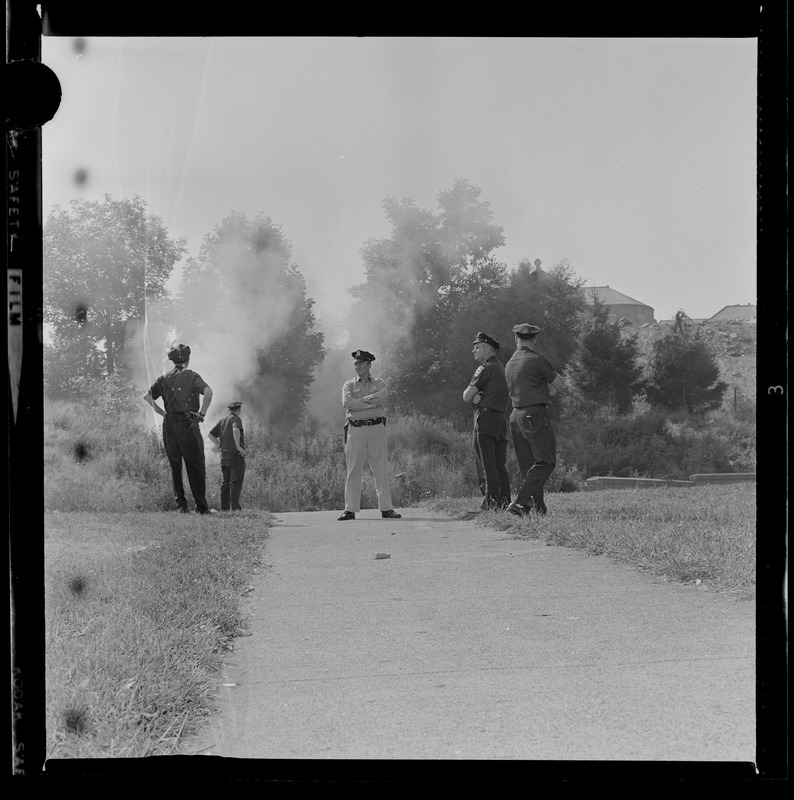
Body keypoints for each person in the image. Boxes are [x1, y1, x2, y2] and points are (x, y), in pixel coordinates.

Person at [504, 324, 567, 517]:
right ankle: (520, 503)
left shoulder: (510, 363)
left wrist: (543, 389)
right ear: (535, 339)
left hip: (516, 417)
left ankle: (537, 507)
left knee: (529, 465)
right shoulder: (536, 360)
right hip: (535, 416)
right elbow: (561, 384)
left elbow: (524, 387)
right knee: (546, 462)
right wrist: (552, 389)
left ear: (516, 339)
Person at [143, 343, 214, 514]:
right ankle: (201, 506)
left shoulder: (164, 378)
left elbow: (147, 397)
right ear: (187, 360)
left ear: (173, 361)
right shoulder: (191, 376)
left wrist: (163, 414)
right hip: (188, 422)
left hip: (170, 425)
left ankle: (182, 506)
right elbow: (209, 392)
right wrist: (202, 414)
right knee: (195, 464)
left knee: (175, 465)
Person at [338, 350, 401, 521]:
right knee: (353, 469)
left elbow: (382, 397)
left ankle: (386, 509)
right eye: (355, 364)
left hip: (376, 428)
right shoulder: (348, 385)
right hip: (355, 429)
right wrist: (368, 403)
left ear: (369, 364)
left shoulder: (379, 382)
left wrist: (359, 404)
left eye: (360, 363)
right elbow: (347, 403)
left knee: (380, 468)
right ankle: (350, 509)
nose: (357, 366)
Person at [462, 332, 511, 510]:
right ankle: (504, 500)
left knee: (485, 462)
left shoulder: (485, 368)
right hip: (500, 419)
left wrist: (475, 397)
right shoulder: (501, 367)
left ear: (486, 348)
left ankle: (491, 502)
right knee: (499, 464)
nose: (473, 350)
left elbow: (466, 396)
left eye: (477, 347)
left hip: (485, 419)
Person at [208, 401, 247, 511]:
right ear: (239, 410)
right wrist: (239, 447)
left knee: (225, 483)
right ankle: (235, 508)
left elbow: (210, 435)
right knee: (235, 482)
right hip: (235, 455)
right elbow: (235, 430)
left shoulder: (222, 421)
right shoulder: (236, 419)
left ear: (229, 410)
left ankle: (224, 509)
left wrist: (219, 446)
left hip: (224, 455)